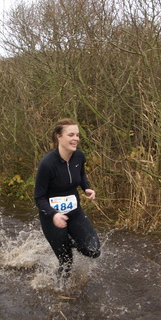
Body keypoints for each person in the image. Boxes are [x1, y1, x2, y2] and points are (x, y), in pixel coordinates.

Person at [34, 118, 101, 285]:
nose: (75, 139)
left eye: (77, 135)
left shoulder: (79, 156)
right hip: (52, 217)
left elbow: (81, 175)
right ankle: (59, 293)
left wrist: (86, 188)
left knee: (93, 250)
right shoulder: (47, 163)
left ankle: (71, 241)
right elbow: (39, 198)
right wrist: (53, 214)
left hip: (74, 212)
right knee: (66, 263)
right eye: (71, 135)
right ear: (59, 137)